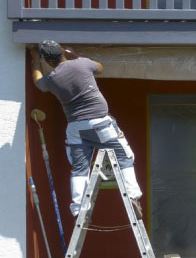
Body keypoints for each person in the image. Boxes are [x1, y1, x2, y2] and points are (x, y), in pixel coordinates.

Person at [28, 40, 143, 219]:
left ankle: (78, 210)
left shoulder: (52, 79)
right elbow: (100, 67)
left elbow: (38, 82)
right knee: (125, 158)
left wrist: (35, 61)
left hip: (75, 128)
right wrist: (76, 55)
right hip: (100, 124)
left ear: (48, 62)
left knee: (79, 169)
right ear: (61, 51)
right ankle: (133, 198)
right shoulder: (82, 63)